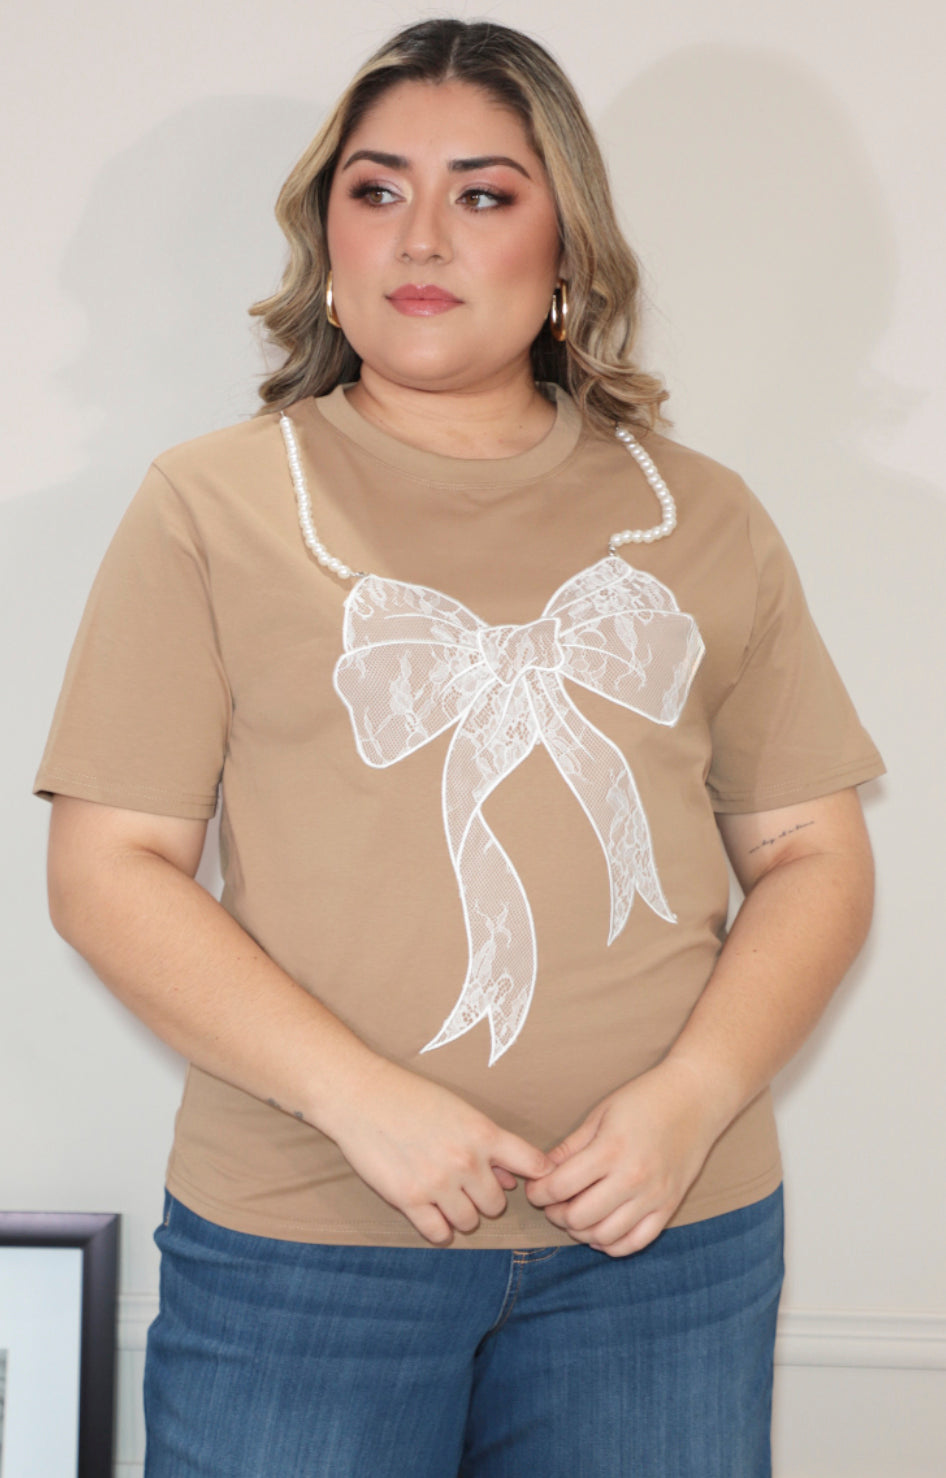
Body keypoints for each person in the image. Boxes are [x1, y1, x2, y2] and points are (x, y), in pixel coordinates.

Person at [35, 17, 884, 1478]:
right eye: (376, 190)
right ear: (328, 238)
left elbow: (813, 852)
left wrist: (688, 1104)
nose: (420, 234)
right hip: (307, 1248)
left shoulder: (702, 515)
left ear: (566, 250)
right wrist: (359, 1100)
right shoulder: (211, 505)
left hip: (662, 1251)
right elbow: (108, 868)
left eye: (483, 194)